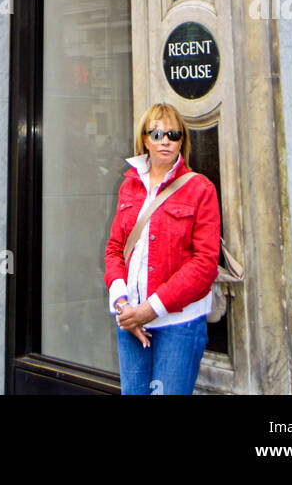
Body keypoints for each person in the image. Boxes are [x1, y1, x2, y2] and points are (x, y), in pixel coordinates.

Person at [105, 101, 220, 396]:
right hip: (130, 318)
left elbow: (204, 264)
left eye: (174, 134)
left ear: (183, 140)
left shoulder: (200, 189)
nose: (165, 140)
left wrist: (151, 309)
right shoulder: (129, 186)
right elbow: (115, 249)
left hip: (178, 324)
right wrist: (123, 304)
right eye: (157, 134)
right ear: (145, 139)